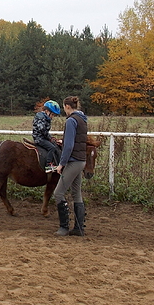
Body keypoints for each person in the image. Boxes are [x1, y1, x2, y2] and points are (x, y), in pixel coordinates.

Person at [53, 96, 88, 236]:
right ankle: (79, 228)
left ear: (67, 106)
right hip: (81, 161)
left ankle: (64, 227)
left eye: (64, 107)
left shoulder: (71, 121)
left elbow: (69, 146)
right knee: (76, 193)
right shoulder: (82, 120)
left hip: (73, 161)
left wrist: (61, 164)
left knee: (58, 193)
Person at [32, 100, 61, 173]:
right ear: (47, 111)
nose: (53, 117)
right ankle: (48, 165)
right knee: (52, 148)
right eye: (52, 114)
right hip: (39, 138)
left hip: (42, 137)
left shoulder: (44, 117)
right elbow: (43, 130)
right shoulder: (41, 117)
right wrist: (49, 138)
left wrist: (50, 138)